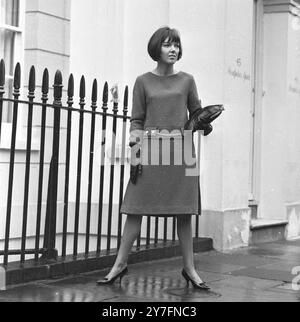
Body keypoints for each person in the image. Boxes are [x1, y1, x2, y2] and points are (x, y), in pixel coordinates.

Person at [97, 26, 210, 290]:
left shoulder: (188, 80)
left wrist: (207, 120)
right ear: (156, 48)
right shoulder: (142, 81)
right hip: (148, 150)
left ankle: (190, 269)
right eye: (168, 45)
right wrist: (134, 143)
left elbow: (196, 115)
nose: (174, 50)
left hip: (183, 153)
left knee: (185, 211)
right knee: (134, 208)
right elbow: (136, 120)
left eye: (177, 45)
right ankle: (119, 264)